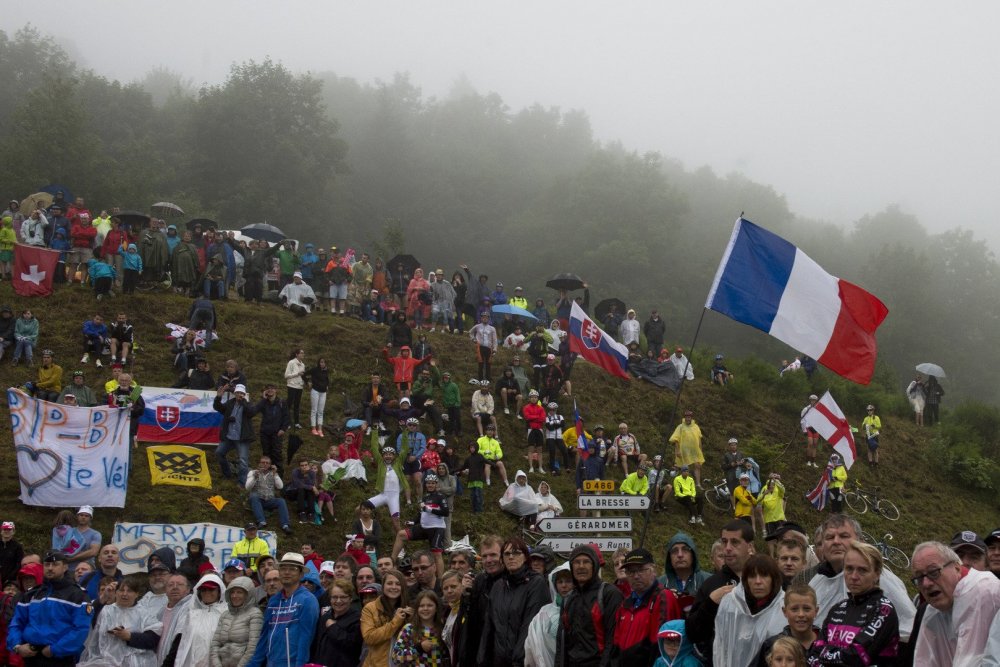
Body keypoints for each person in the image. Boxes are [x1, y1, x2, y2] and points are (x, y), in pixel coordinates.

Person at [808, 515, 915, 643]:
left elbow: (908, 627)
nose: (836, 541)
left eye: (844, 536)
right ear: (823, 545)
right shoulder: (816, 581)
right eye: (830, 537)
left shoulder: (880, 579)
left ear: (861, 541)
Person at [910, 540, 1000, 665]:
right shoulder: (931, 613)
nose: (926, 584)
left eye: (934, 572)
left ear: (957, 568)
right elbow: (923, 661)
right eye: (919, 578)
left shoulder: (985, 590)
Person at [810, 541, 900, 665]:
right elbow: (814, 653)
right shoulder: (837, 609)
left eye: (862, 570)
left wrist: (825, 655)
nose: (854, 576)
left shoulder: (883, 609)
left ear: (877, 574)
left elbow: (857, 656)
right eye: (849, 568)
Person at [687, 520, 755, 663]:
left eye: (734, 542)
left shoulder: (767, 579)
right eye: (724, 542)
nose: (728, 548)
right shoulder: (711, 584)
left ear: (750, 547)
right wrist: (710, 604)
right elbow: (693, 633)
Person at [7, 550, 91, 664]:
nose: (50, 568)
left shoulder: (77, 595)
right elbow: (16, 623)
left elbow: (81, 629)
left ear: (65, 567)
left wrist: (55, 649)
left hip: (60, 657)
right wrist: (17, 645)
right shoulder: (31, 594)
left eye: (55, 564)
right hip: (31, 655)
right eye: (47, 564)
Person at [480, 537, 549, 666]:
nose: (511, 557)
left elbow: (529, 626)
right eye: (506, 554)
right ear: (502, 559)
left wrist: (517, 660)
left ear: (525, 557)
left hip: (524, 661)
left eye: (516, 553)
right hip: (498, 661)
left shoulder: (536, 583)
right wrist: (482, 659)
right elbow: (489, 627)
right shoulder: (498, 586)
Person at [609, 548, 682, 665]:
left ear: (654, 571)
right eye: (631, 571)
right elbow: (616, 644)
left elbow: (662, 647)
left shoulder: (663, 598)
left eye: (641, 570)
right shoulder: (625, 605)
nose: (636, 576)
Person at [713, 554, 787, 667]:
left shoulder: (784, 606)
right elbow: (721, 646)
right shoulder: (731, 604)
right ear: (745, 580)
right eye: (752, 576)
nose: (758, 581)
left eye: (764, 575)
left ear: (773, 579)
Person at [557, 543, 623, 667]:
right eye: (577, 562)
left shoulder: (609, 594)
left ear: (595, 565)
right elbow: (561, 643)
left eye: (586, 561)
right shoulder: (568, 599)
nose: (581, 566)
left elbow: (613, 641)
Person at [246, 553, 317, 666]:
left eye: (292, 569)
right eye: (283, 568)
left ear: (301, 574)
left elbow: (306, 639)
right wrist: (253, 664)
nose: (287, 572)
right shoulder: (273, 600)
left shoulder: (308, 600)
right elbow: (264, 637)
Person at [78, 573, 158, 667]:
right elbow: (90, 616)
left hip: (138, 662)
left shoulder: (145, 612)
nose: (124, 594)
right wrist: (104, 596)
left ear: (137, 594)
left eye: (129, 591)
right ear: (116, 592)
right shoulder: (106, 610)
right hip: (106, 662)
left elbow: (153, 639)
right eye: (121, 590)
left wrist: (129, 637)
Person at [752, 582, 819, 666]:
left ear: (816, 611)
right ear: (785, 612)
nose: (801, 614)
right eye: (794, 609)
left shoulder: (828, 643)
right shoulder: (771, 645)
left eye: (806, 609)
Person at [361, 568, 410, 667]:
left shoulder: (409, 608)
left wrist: (413, 618)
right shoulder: (370, 608)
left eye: (398, 584)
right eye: (389, 583)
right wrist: (395, 622)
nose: (393, 587)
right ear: (383, 586)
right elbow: (369, 638)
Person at [214, 383, 258, 485]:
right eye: (237, 393)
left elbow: (251, 413)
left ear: (244, 394)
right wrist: (218, 398)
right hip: (229, 437)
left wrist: (242, 402)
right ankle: (227, 474)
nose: (239, 394)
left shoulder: (248, 404)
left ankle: (242, 481)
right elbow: (218, 407)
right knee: (219, 453)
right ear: (234, 393)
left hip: (241, 438)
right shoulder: (230, 403)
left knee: (243, 460)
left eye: (241, 393)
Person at [314, 578, 363, 666]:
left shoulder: (357, 619)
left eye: (343, 597)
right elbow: (318, 646)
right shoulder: (325, 618)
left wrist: (333, 627)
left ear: (350, 598)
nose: (338, 601)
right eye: (335, 597)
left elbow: (352, 646)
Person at [659, 532, 711, 614]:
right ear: (669, 557)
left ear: (693, 554)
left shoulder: (708, 581)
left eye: (685, 549)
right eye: (675, 550)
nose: (680, 555)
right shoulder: (660, 584)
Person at [245, 457, 292, 535]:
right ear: (259, 463)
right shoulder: (252, 472)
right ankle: (261, 521)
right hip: (257, 499)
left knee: (281, 501)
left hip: (269, 500)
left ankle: (285, 525)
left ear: (270, 465)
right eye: (263, 462)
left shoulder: (273, 474)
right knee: (253, 496)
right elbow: (247, 487)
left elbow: (280, 486)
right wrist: (254, 477)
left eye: (267, 463)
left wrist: (275, 474)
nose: (265, 464)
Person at [255, 384, 290, 477]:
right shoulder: (264, 402)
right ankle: (266, 475)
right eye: (268, 388)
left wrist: (283, 429)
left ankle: (279, 476)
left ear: (276, 390)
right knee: (266, 454)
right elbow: (255, 410)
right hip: (265, 433)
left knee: (277, 454)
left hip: (277, 433)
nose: (270, 390)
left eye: (272, 388)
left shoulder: (282, 402)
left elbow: (287, 417)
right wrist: (263, 398)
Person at [669, 410, 705, 487]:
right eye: (686, 417)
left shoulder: (696, 427)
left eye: (689, 417)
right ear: (684, 417)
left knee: (697, 466)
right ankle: (683, 484)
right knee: (684, 467)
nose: (688, 418)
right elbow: (676, 439)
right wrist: (677, 450)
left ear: (691, 418)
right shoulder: (680, 426)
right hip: (684, 451)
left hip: (694, 451)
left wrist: (701, 451)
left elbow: (699, 439)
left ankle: (698, 484)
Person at [470, 311, 499, 382]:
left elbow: (495, 339)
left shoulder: (492, 328)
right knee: (480, 363)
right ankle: (480, 378)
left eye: (486, 318)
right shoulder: (477, 326)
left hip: (489, 348)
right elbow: (470, 332)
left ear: (488, 319)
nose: (485, 319)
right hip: (480, 347)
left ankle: (488, 378)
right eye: (483, 317)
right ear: (481, 318)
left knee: (488, 363)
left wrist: (495, 349)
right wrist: (473, 339)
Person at [800, 394, 821, 468]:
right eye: (812, 400)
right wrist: (804, 430)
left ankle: (813, 462)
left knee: (815, 445)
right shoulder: (806, 409)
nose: (813, 401)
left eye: (815, 400)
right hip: (809, 428)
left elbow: (820, 420)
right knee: (810, 444)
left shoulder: (818, 409)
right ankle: (808, 460)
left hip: (816, 429)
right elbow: (802, 420)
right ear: (810, 400)